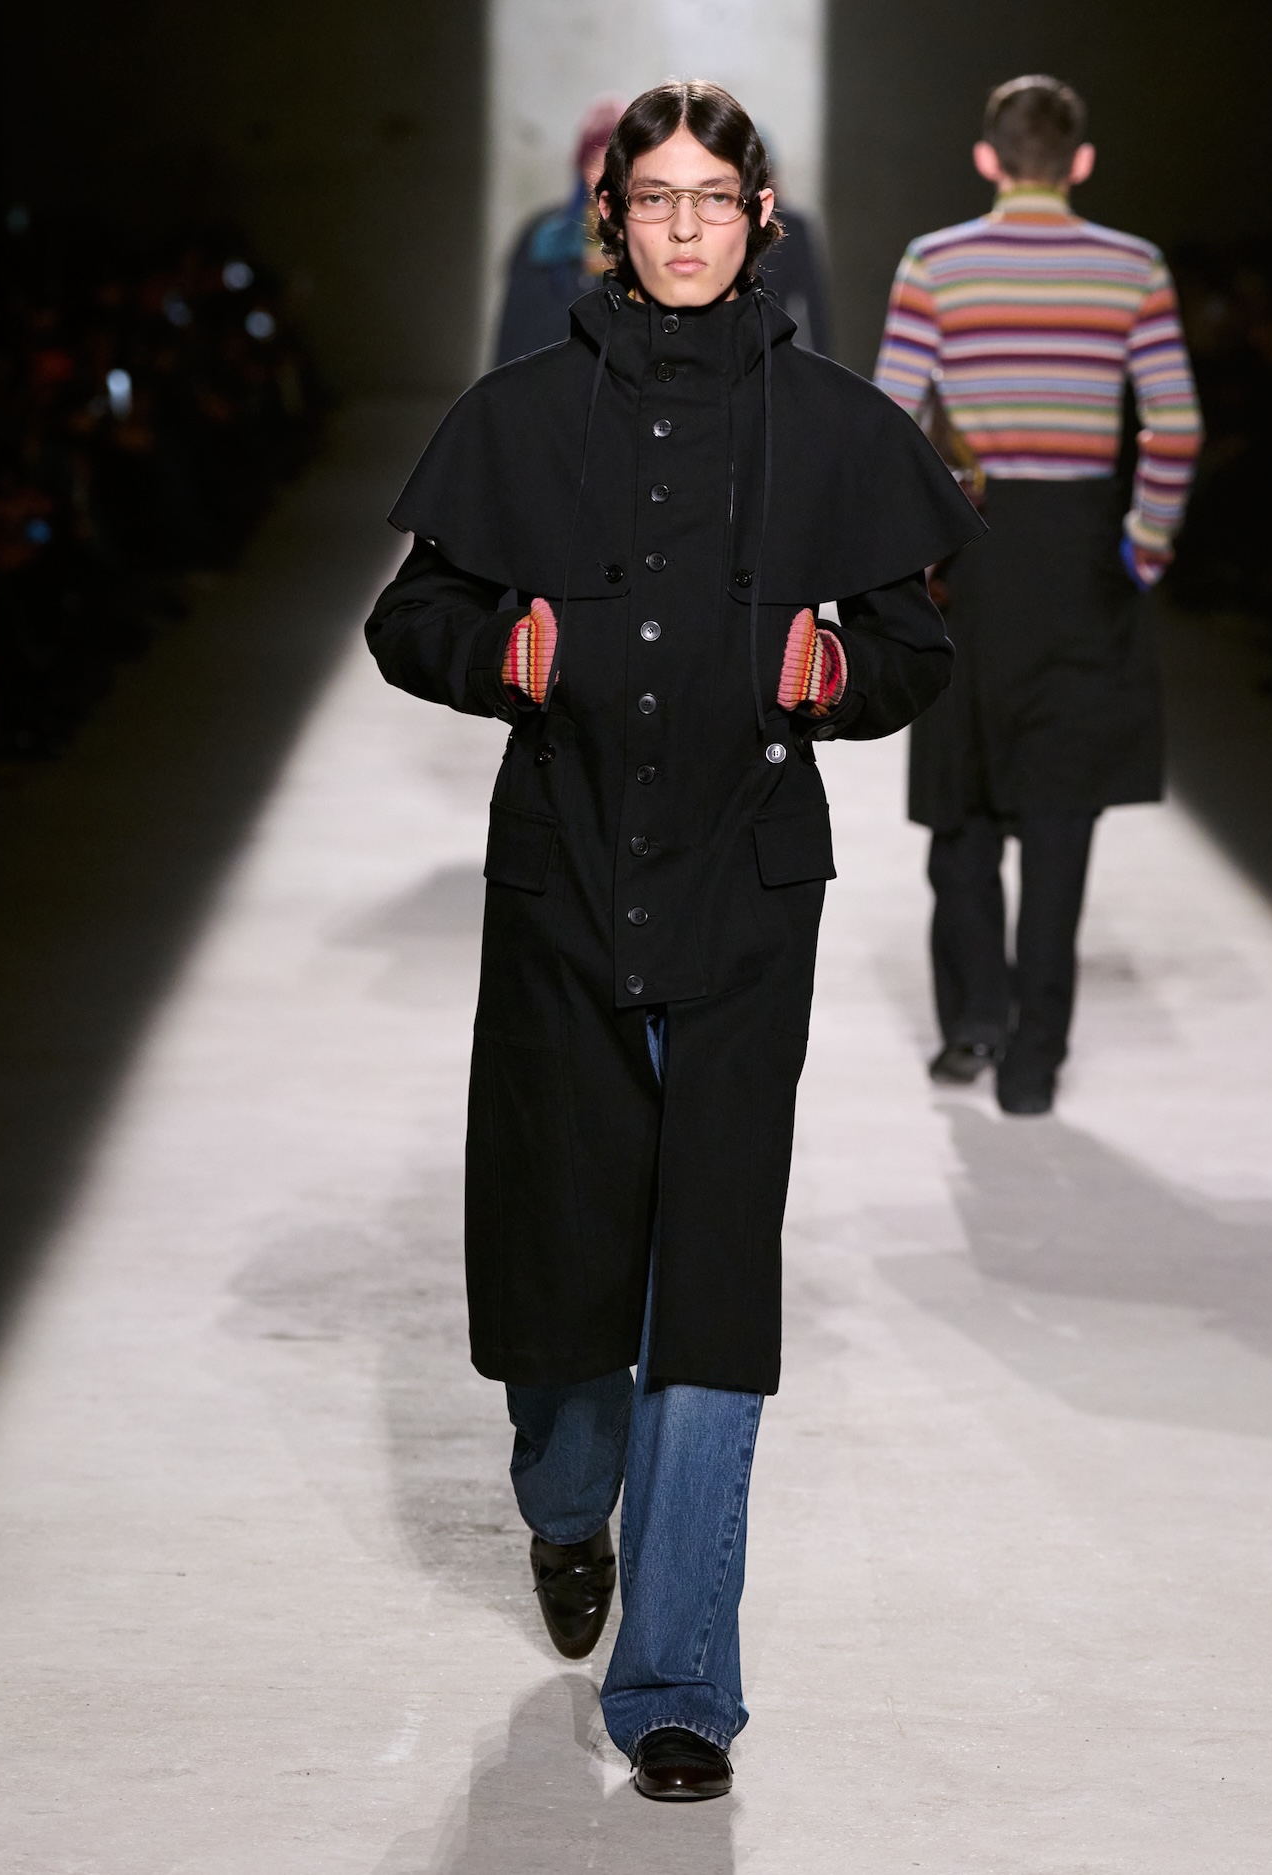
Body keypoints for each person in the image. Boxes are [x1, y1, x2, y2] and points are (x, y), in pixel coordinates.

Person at [366, 82, 981, 1800]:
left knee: (708, 1279)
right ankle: (568, 1503)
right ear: (613, 219)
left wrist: (840, 673)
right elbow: (412, 615)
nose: (688, 226)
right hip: (562, 883)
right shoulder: (520, 414)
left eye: (716, 197)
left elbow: (916, 648)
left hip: (745, 893)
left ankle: (681, 1685)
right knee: (568, 1269)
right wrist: (501, 652)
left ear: (762, 219)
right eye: (658, 199)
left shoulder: (839, 427)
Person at [874, 74, 1203, 1115]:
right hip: (1081, 560)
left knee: (962, 804)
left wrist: (912, 558)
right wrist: (1144, 546)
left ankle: (974, 1021)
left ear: (988, 159)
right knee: (1060, 817)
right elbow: (1176, 422)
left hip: (973, 556)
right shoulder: (1133, 267)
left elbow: (892, 421)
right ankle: (1035, 1059)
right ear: (1081, 163)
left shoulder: (936, 263)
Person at [493, 97, 627, 367]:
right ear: (581, 167)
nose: (604, 176)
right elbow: (515, 333)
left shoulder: (651, 238)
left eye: (614, 165)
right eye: (594, 162)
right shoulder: (543, 236)